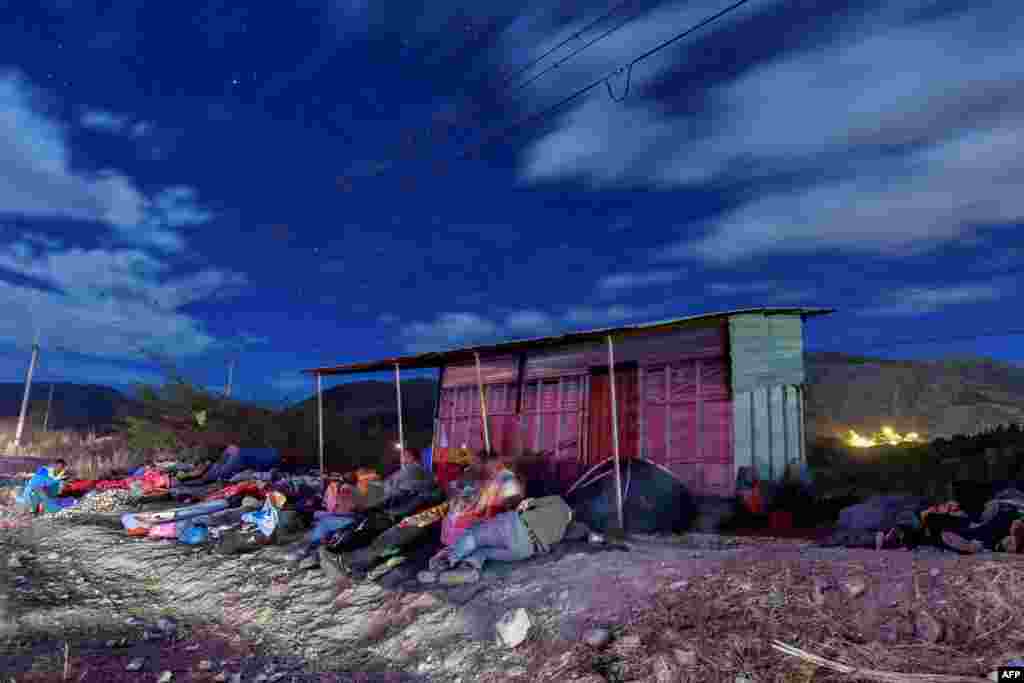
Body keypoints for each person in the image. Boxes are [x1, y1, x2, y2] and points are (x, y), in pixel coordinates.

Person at [421, 495, 575, 584]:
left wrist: (520, 509)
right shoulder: (561, 533)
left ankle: (447, 562)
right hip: (524, 551)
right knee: (485, 552)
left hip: (516, 526)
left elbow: (528, 503)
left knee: (475, 536)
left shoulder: (560, 501)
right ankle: (468, 568)